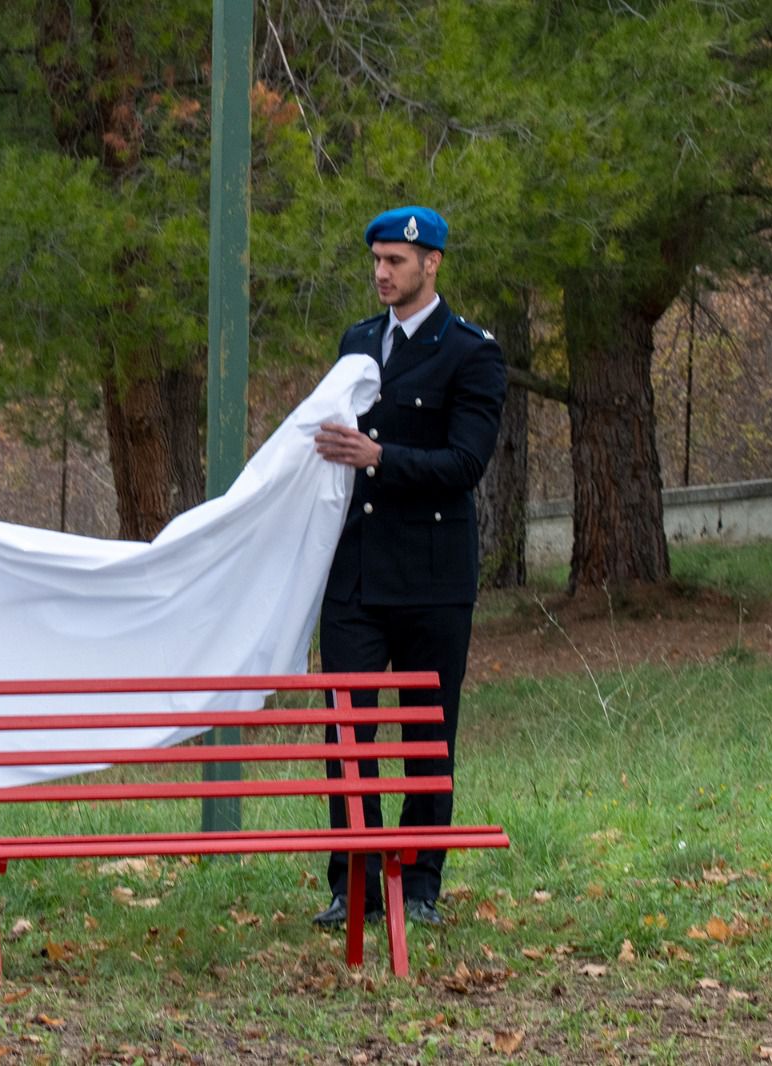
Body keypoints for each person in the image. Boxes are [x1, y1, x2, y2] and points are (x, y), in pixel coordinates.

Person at [311, 206, 506, 928]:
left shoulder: (471, 353)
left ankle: (419, 883)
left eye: (395, 261)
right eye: (377, 260)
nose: (382, 273)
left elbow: (465, 463)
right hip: (357, 574)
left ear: (433, 263)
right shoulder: (359, 341)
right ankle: (353, 884)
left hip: (431, 575)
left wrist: (381, 457)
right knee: (348, 733)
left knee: (427, 733)